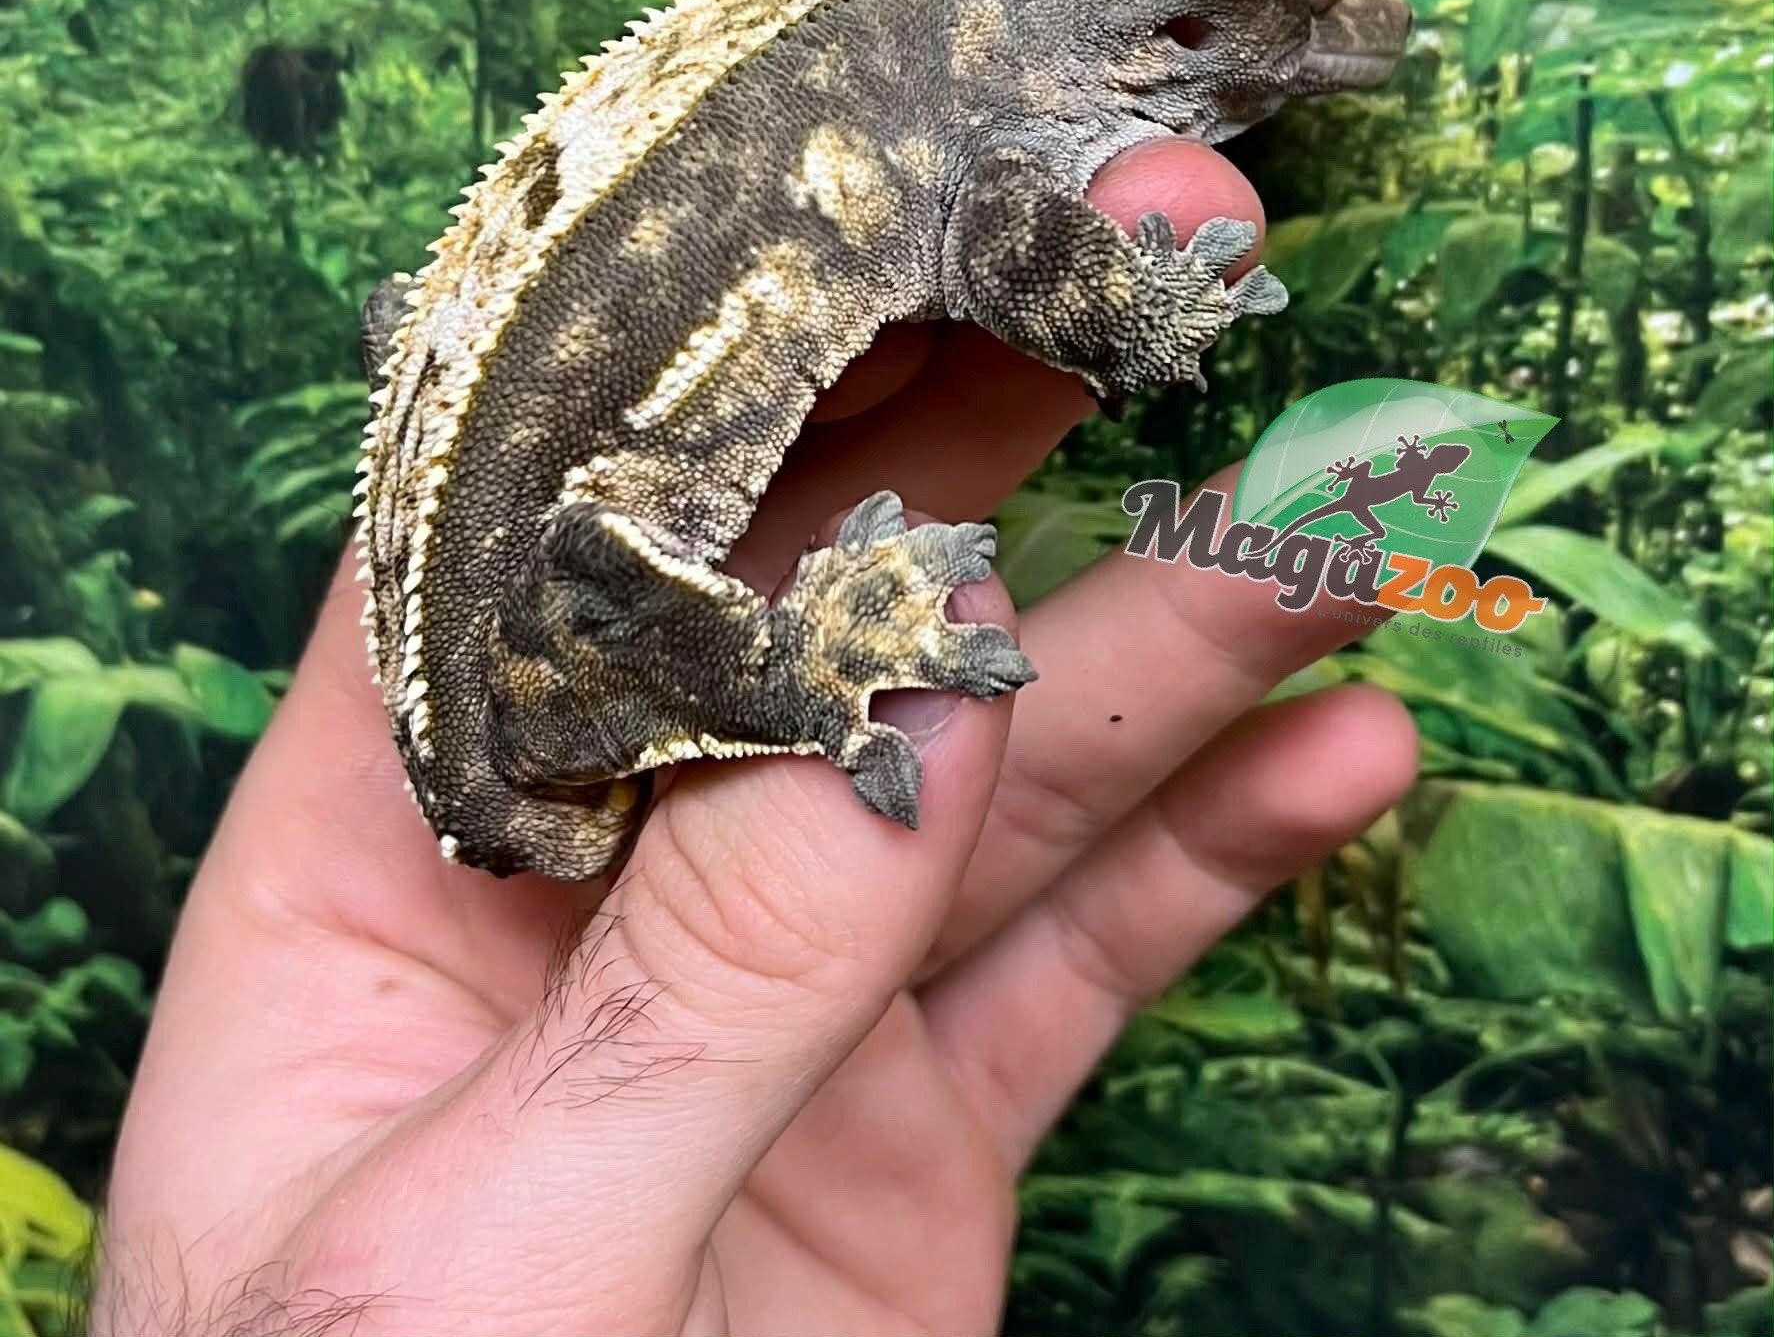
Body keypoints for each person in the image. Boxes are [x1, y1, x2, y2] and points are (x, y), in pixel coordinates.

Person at [94, 141, 1417, 1337]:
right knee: (633, 620)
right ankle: (802, 668)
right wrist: (800, 674)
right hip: (533, 699)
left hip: (540, 680)